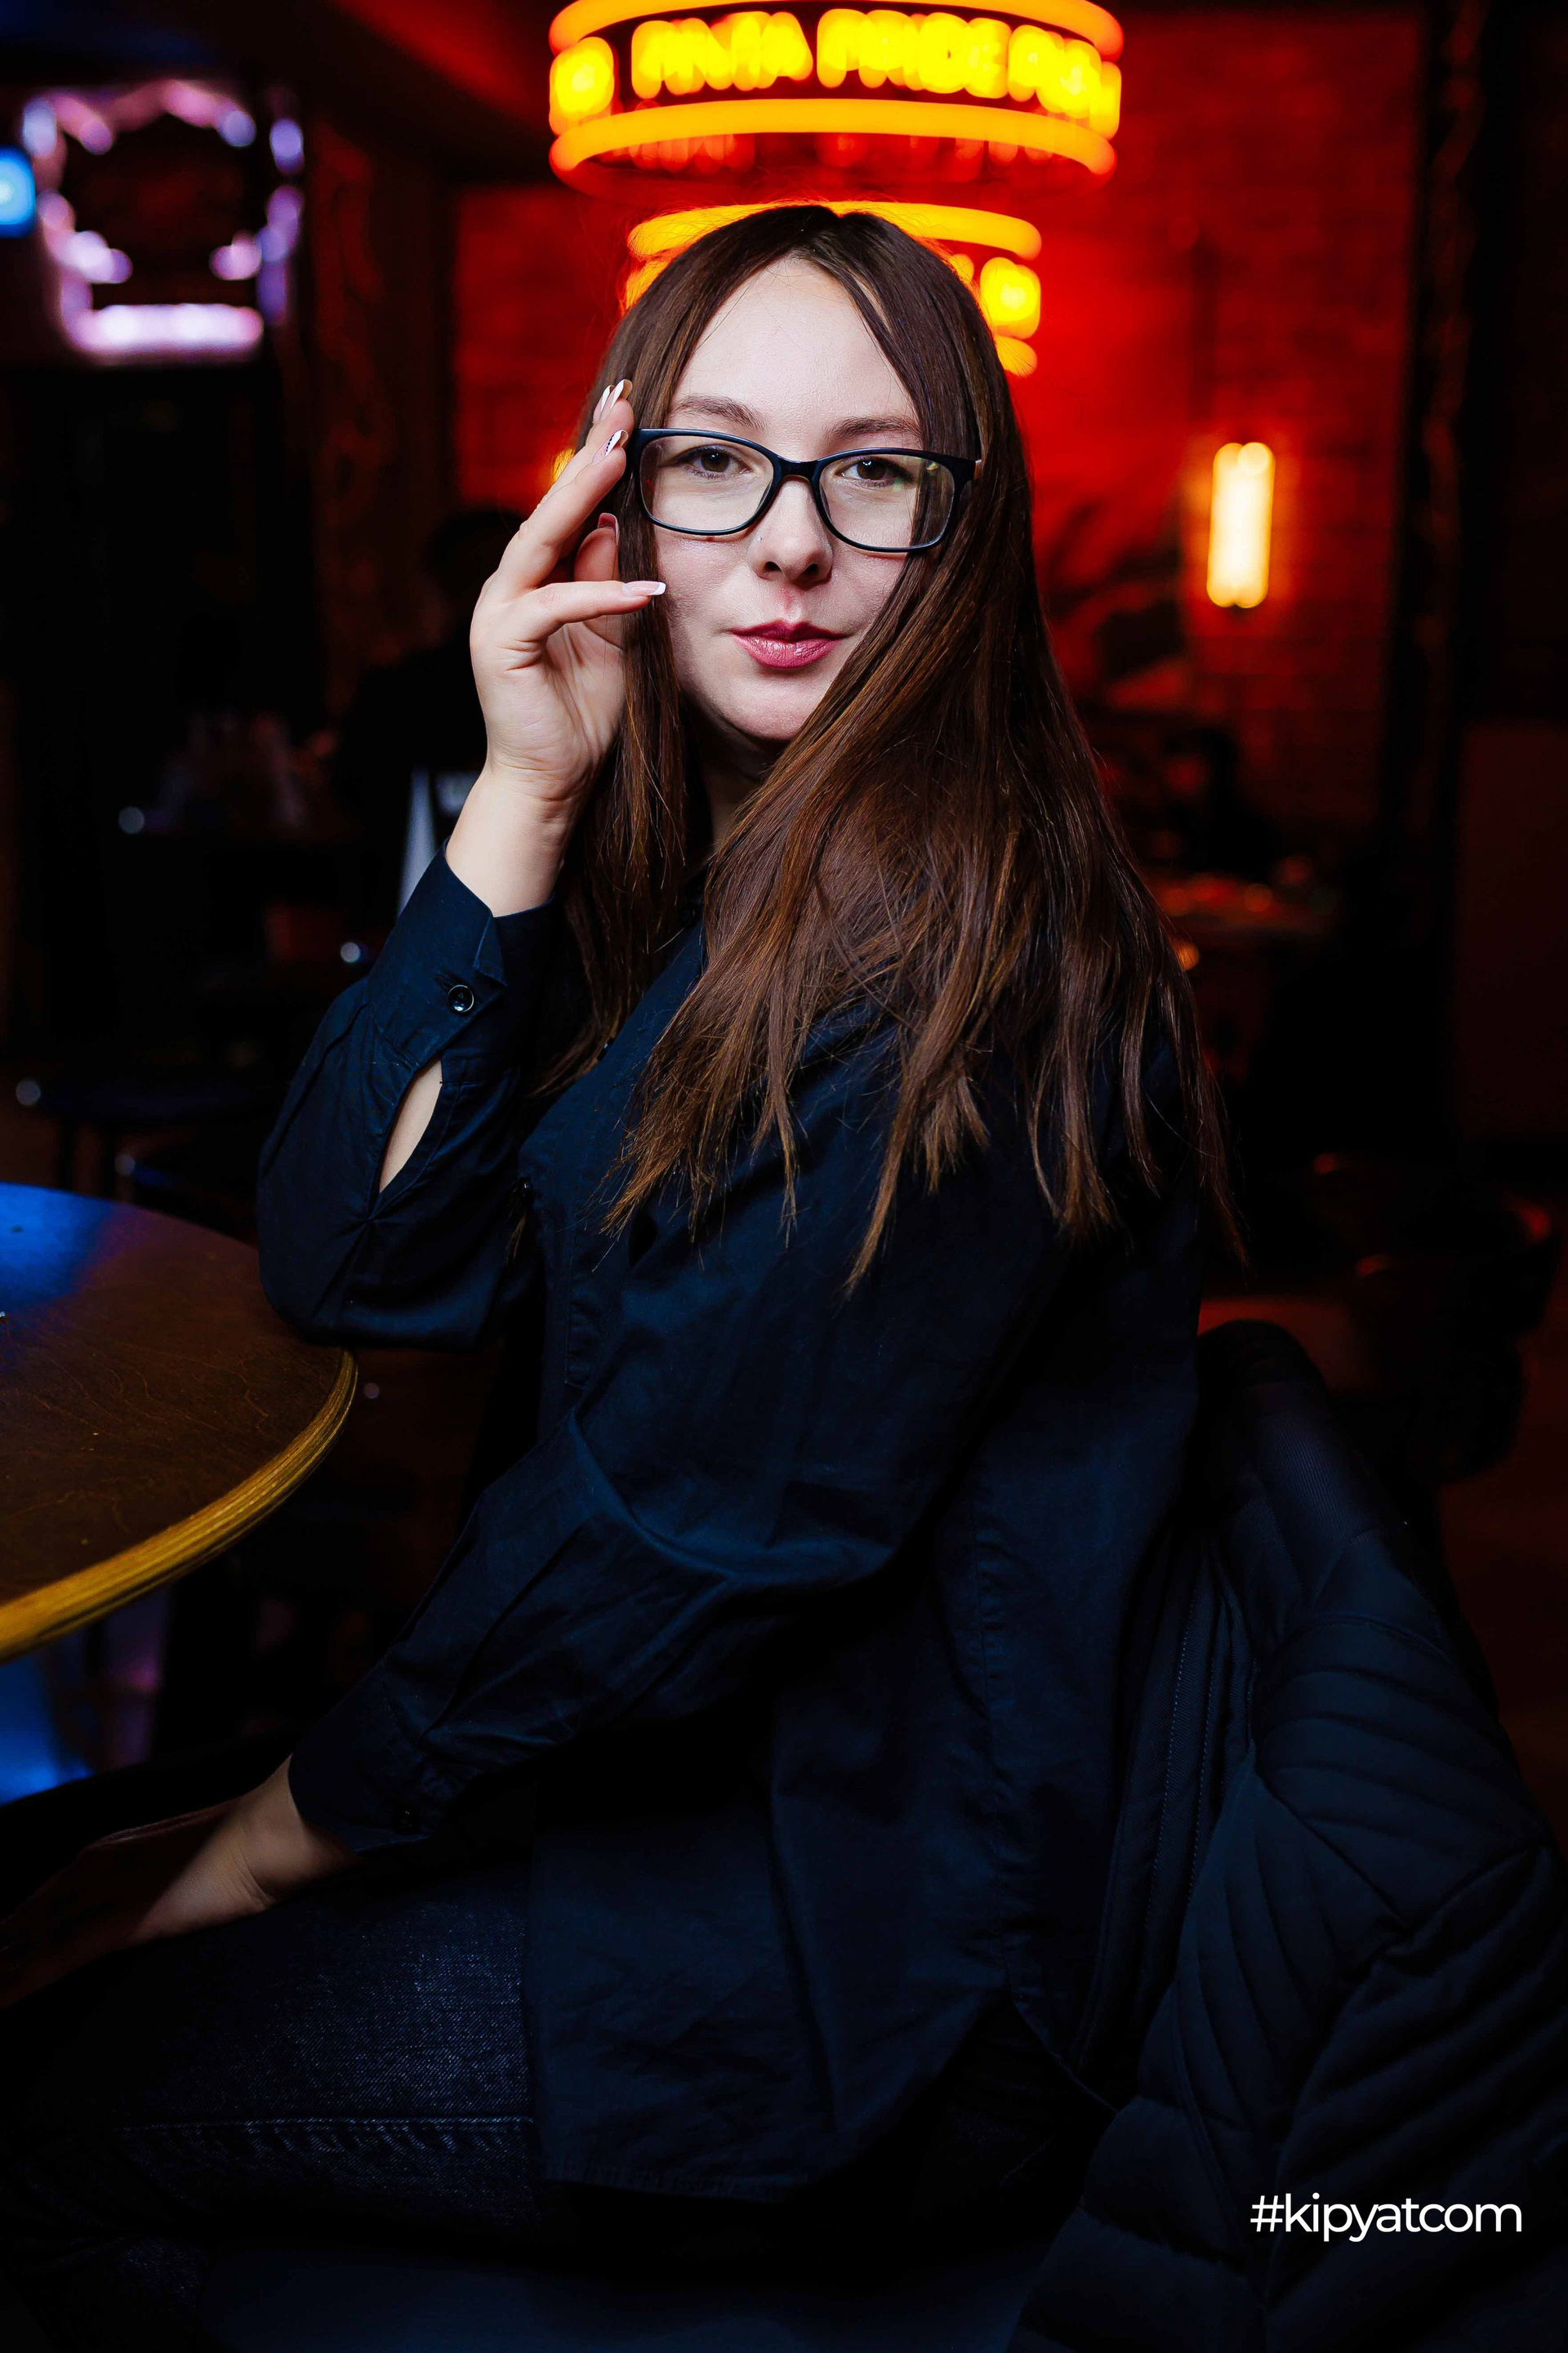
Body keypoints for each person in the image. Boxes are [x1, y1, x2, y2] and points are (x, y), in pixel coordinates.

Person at [0, 207, 1234, 2349]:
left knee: (39, 2096)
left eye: (874, 470)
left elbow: (675, 1541)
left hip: (849, 1956)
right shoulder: (719, 861)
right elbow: (352, 1250)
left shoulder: (972, 962)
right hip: (641, 1802)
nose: (791, 541)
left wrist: (250, 1852)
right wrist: (522, 793)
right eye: (720, 460)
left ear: (965, 528)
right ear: (620, 492)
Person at [332, 506, 523, 927]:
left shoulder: (393, 690)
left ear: (437, 589)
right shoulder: (555, 683)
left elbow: (346, 790)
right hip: (512, 926)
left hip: (397, 920)